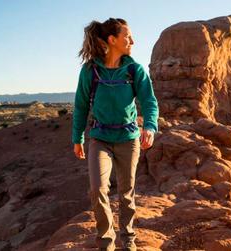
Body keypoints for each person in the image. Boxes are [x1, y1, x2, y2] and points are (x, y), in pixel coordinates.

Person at [72, 18, 159, 251]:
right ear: (112, 40)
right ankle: (106, 243)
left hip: (128, 140)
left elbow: (149, 101)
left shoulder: (134, 70)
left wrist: (149, 126)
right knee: (98, 189)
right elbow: (80, 106)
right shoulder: (90, 71)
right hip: (99, 138)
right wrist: (78, 138)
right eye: (127, 36)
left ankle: (128, 239)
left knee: (126, 193)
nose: (133, 41)